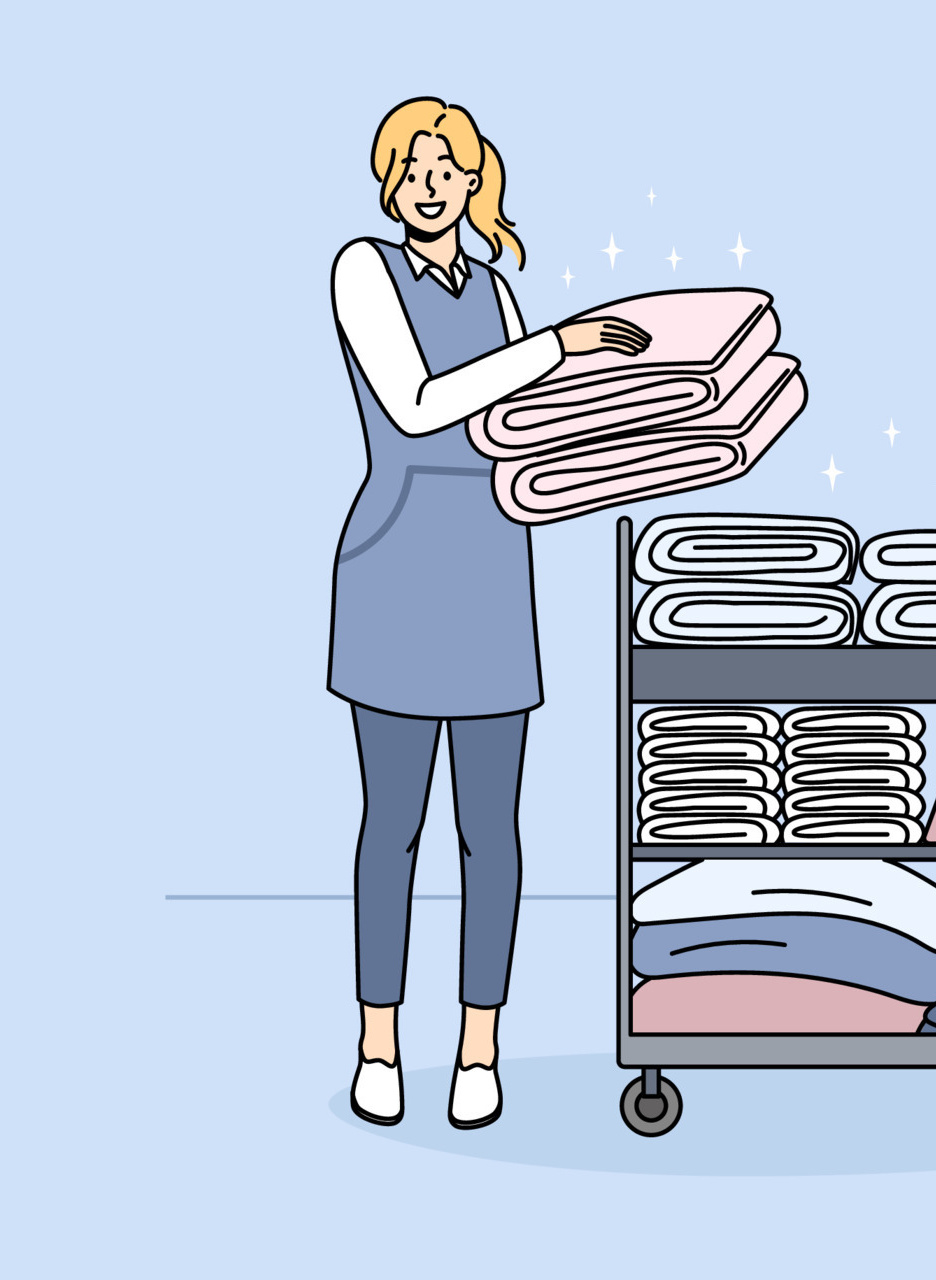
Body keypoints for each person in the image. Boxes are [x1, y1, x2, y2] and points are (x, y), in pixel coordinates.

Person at [327, 98, 650, 1129]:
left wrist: (633, 415)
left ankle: (479, 1045)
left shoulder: (501, 294)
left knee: (491, 837)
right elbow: (420, 402)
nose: (428, 180)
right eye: (410, 164)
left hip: (491, 577)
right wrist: (558, 345)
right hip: (393, 573)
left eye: (448, 165)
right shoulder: (362, 270)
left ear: (476, 185)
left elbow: (524, 437)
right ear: (390, 183)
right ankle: (379, 1038)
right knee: (392, 829)